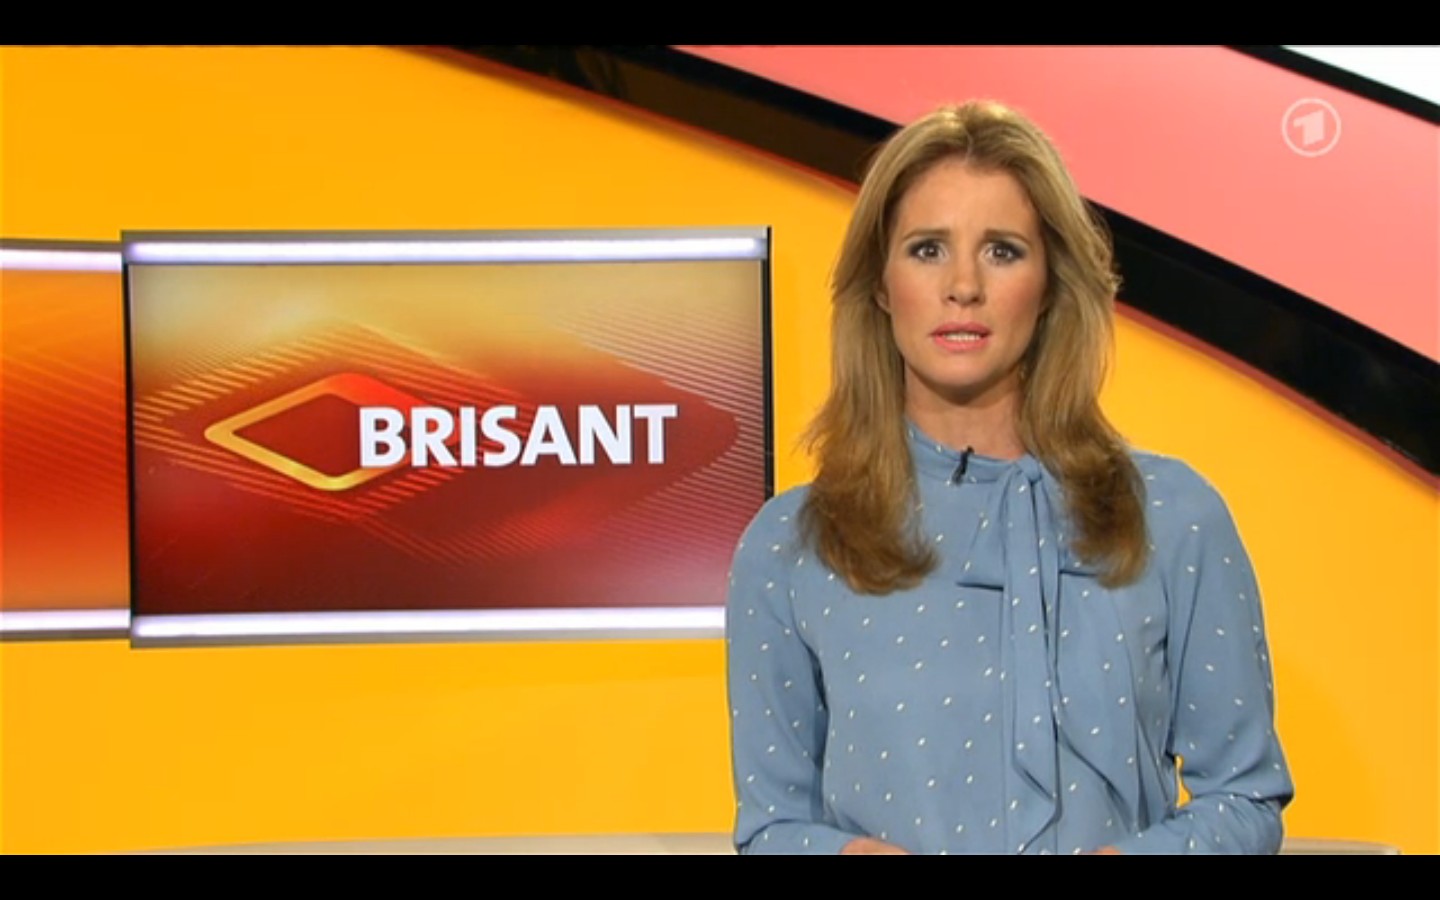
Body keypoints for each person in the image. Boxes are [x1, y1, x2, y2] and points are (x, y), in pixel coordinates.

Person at [724, 101, 1293, 855]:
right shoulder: (791, 545)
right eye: (928, 249)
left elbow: (1246, 799)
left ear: (1051, 281)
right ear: (881, 285)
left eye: (1002, 250)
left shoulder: (1174, 516)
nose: (963, 285)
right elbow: (770, 826)